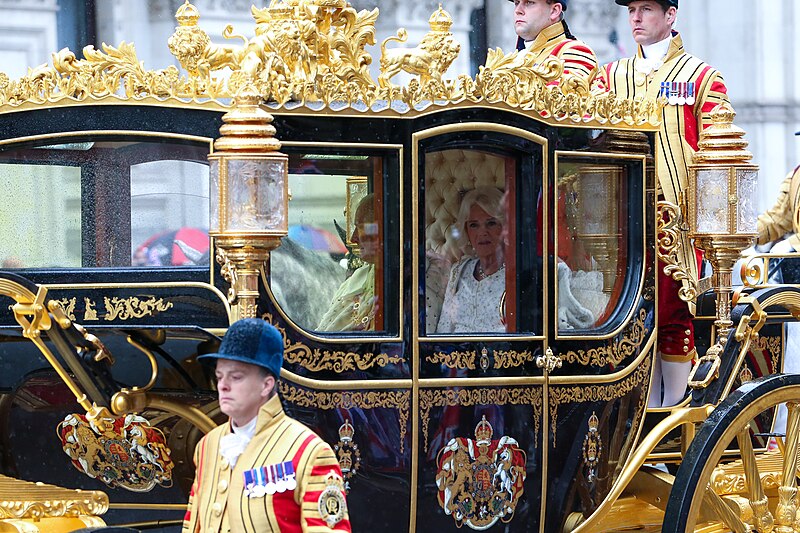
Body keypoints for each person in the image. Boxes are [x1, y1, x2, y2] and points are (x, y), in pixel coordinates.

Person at [604, 0, 730, 407]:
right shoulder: (609, 77)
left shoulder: (701, 77)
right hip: (618, 219)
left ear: (670, 15)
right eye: (632, 10)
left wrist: (713, 231)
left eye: (646, 9)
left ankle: (672, 412)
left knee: (674, 314)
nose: (636, 18)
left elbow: (717, 158)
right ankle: (634, 416)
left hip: (672, 219)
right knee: (622, 318)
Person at [182, 318, 351, 533]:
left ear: (266, 384)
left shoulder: (310, 452)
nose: (223, 386)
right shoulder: (207, 446)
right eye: (219, 376)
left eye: (236, 377)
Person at [436, 187, 506, 333]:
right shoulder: (459, 270)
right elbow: (444, 328)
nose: (482, 232)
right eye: (474, 225)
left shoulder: (517, 273)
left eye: (491, 223)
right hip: (456, 353)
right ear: (466, 231)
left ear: (505, 226)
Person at [316, 194, 380, 331]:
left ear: (379, 230)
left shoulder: (406, 285)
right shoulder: (354, 282)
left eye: (361, 227)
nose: (353, 238)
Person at [508, 0, 605, 89]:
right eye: (517, 3)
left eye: (529, 2)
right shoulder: (515, 57)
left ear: (554, 11)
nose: (518, 10)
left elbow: (560, 103)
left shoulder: (574, 51)